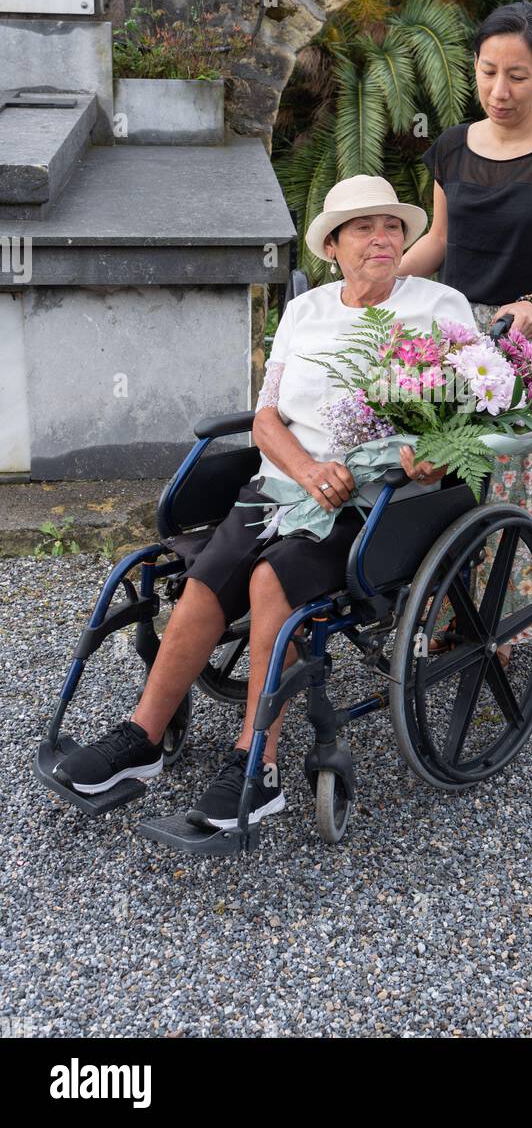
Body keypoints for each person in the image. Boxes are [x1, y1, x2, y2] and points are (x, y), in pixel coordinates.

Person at [54, 177, 478, 828]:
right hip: (284, 484)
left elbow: (472, 419)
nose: (382, 237)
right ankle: (143, 736)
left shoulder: (440, 308)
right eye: (363, 227)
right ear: (332, 245)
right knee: (206, 580)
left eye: (391, 225)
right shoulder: (305, 313)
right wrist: (306, 468)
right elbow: (264, 420)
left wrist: (434, 453)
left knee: (269, 581)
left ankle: (259, 767)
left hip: (377, 507)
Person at [398, 1, 532, 653]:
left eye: (517, 75)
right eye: (488, 71)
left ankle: (518, 619)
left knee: (522, 482)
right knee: (444, 476)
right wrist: (380, 286)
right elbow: (438, 240)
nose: (499, 90)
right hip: (453, 336)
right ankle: (451, 612)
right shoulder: (452, 148)